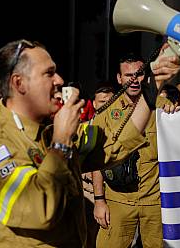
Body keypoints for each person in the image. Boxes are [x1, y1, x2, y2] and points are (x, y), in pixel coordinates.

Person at [0, 40, 180, 247]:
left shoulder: (46, 129)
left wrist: (153, 83)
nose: (59, 80)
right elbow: (37, 209)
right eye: (48, 73)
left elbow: (111, 144)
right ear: (19, 83)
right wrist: (61, 143)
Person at [94, 53, 179, 248]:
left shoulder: (163, 108)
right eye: (128, 75)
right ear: (119, 78)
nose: (134, 80)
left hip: (154, 200)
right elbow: (97, 161)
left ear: (146, 76)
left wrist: (177, 118)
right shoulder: (106, 113)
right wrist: (99, 201)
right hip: (118, 200)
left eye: (139, 74)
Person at [82, 83, 115, 248]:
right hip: (88, 194)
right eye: (102, 102)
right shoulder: (84, 129)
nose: (106, 105)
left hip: (114, 193)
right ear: (94, 104)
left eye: (110, 101)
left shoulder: (120, 128)